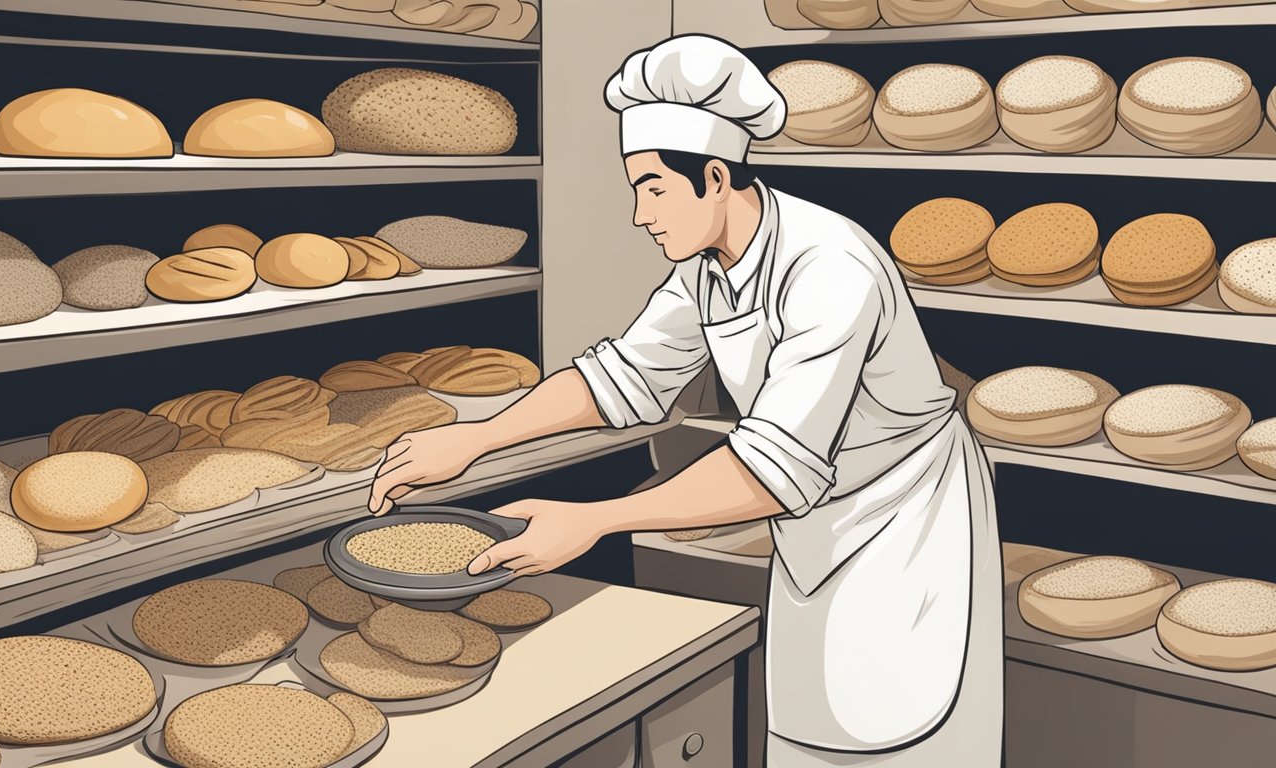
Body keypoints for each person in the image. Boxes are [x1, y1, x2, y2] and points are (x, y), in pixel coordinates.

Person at [368, 34, 1002, 767]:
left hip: (903, 527)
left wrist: (594, 520)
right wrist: (476, 437)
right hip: (816, 526)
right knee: (814, 732)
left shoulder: (832, 268)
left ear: (714, 177)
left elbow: (770, 468)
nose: (640, 214)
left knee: (902, 739)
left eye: (653, 188)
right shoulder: (708, 265)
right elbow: (625, 377)